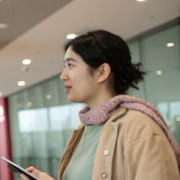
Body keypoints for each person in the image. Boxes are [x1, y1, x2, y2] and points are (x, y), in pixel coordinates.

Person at [21, 30, 180, 180]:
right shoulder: (84, 129)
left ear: (102, 72)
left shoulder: (140, 127)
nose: (63, 76)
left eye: (71, 65)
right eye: (64, 66)